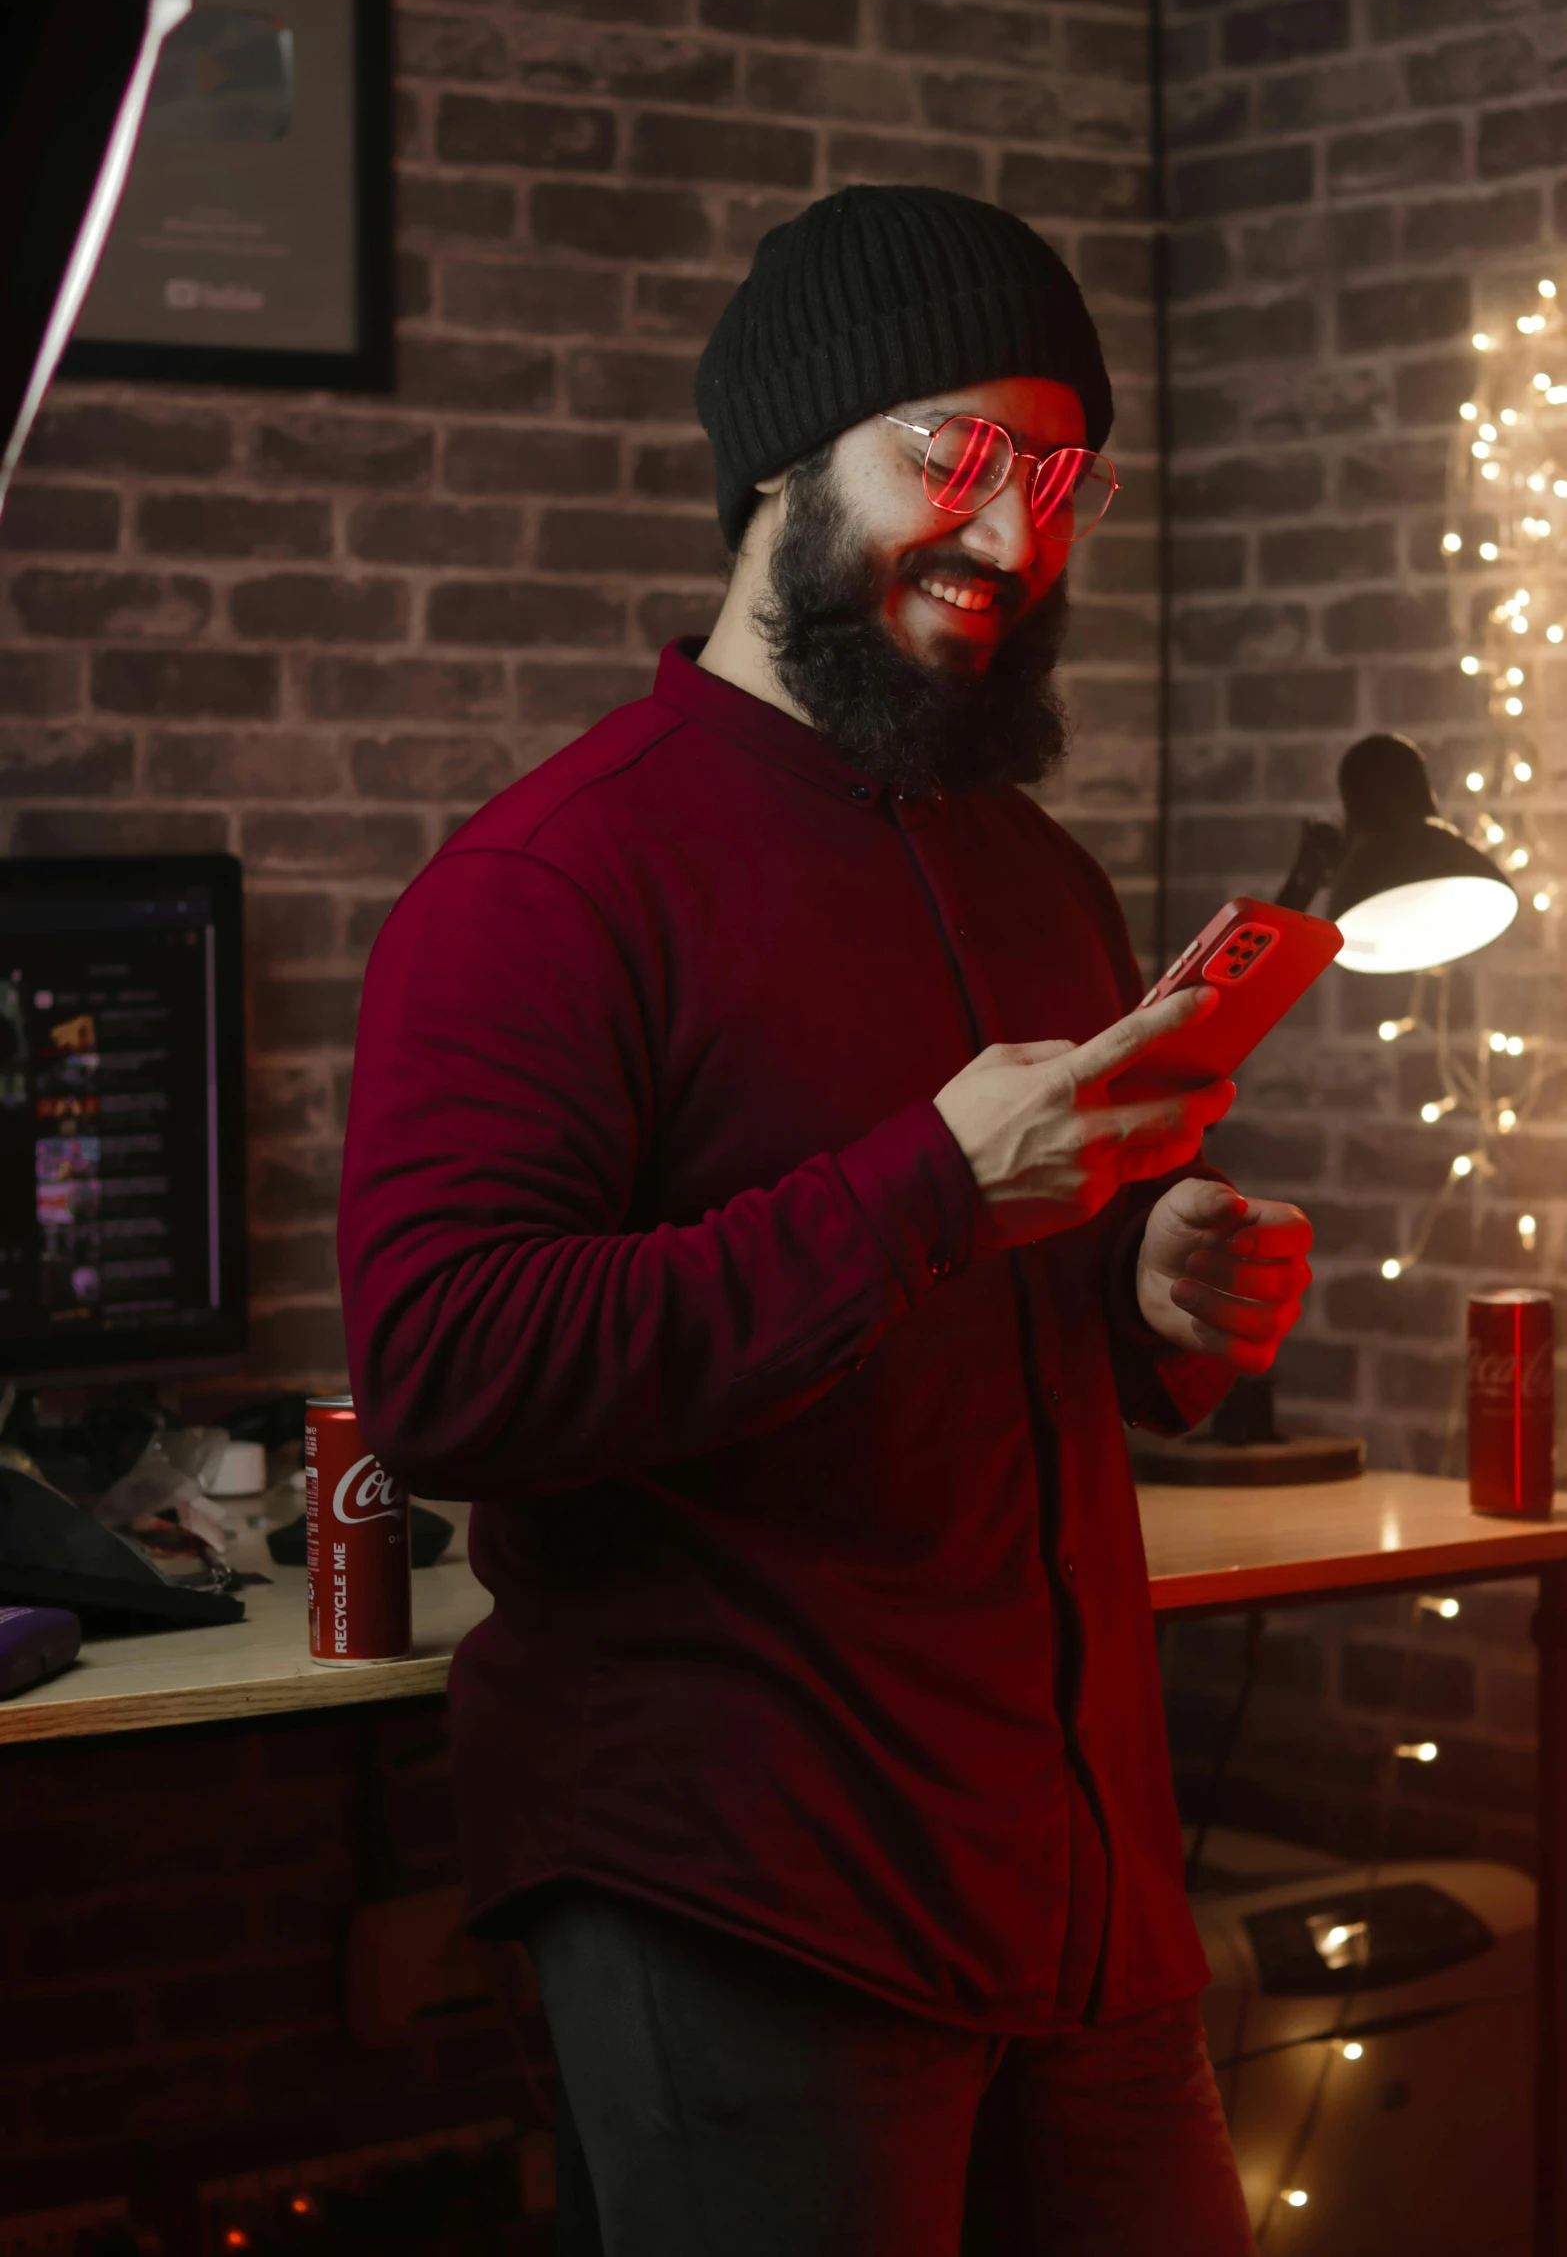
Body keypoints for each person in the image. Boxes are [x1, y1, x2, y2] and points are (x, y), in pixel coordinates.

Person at [338, 184, 1312, 2256]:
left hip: (1084, 1897)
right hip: (748, 1894)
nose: (1009, 534)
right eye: (945, 451)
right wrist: (932, 1185)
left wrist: (1152, 1310)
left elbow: (972, 1317)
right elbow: (445, 1371)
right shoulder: (547, 886)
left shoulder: (1037, 867)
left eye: (1058, 475)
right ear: (783, 456)